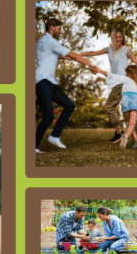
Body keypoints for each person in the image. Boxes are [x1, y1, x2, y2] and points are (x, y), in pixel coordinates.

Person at [35, 18, 98, 154]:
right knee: (48, 116)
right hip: (43, 81)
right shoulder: (50, 40)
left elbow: (50, 55)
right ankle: (33, 146)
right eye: (59, 28)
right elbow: (72, 55)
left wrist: (65, 57)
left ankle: (54, 136)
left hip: (50, 82)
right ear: (51, 27)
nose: (61, 31)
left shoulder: (44, 42)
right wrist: (90, 64)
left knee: (69, 105)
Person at [81, 28, 137, 144]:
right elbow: (94, 53)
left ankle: (119, 132)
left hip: (123, 82)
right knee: (129, 109)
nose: (118, 39)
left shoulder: (126, 50)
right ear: (112, 37)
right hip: (118, 82)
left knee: (109, 106)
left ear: (123, 38)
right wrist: (78, 55)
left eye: (120, 37)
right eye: (116, 37)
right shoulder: (109, 49)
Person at [91, 64, 137, 150]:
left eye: (126, 73)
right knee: (132, 123)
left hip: (125, 98)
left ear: (129, 73)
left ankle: (134, 140)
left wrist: (99, 70)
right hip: (135, 99)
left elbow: (112, 76)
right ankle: (129, 138)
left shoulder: (126, 79)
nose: (126, 74)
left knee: (127, 122)